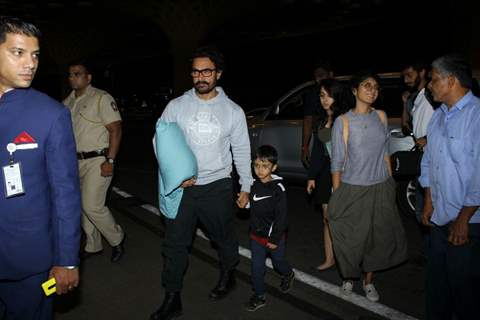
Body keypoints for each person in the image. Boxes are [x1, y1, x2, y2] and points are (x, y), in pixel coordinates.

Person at [150, 46, 253, 320]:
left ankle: (229, 271)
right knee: (174, 245)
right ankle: (172, 298)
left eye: (206, 71)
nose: (200, 77)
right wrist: (174, 175)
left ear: (218, 73)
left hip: (217, 186)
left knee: (223, 238)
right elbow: (160, 140)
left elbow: (242, 150)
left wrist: (246, 186)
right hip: (183, 189)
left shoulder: (233, 111)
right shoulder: (177, 106)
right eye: (196, 71)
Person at [0, 16, 81, 319]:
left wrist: (67, 260)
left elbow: (66, 193)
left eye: (34, 55)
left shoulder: (50, 114)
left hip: (28, 261)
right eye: (18, 52)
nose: (30, 63)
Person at [328, 71, 408, 302]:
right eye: (367, 86)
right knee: (352, 238)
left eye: (375, 87)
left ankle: (368, 281)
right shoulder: (343, 121)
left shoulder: (381, 116)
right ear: (354, 90)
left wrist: (390, 183)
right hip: (353, 188)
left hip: (380, 186)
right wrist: (338, 193)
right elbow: (337, 162)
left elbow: (385, 154)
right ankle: (348, 278)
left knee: (378, 238)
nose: (372, 90)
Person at [420, 54, 480, 320]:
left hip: (468, 222)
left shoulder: (476, 116)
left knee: (465, 292)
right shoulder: (438, 117)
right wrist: (428, 201)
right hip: (440, 218)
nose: (429, 86)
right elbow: (429, 161)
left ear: (451, 80)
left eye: (433, 80)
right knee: (437, 288)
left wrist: (464, 218)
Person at [63, 59, 125, 262]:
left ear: (88, 77)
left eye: (78, 73)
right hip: (74, 161)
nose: (73, 77)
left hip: (98, 159)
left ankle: (117, 239)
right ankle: (93, 244)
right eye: (71, 74)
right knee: (80, 205)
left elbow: (115, 129)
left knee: (92, 206)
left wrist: (111, 160)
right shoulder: (67, 102)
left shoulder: (101, 98)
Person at [306, 79, 353, 271]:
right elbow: (318, 151)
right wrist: (311, 176)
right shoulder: (321, 120)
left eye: (329, 95)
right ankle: (329, 258)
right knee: (327, 217)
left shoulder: (347, 118)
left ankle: (348, 259)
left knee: (343, 217)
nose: (325, 100)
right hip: (325, 172)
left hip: (345, 172)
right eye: (322, 95)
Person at [241, 145, 294, 312]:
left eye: (265, 166)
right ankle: (259, 295)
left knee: (278, 263)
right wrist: (245, 203)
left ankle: (288, 274)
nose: (260, 170)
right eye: (256, 165)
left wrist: (274, 239)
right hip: (256, 236)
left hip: (274, 237)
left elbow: (282, 218)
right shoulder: (254, 185)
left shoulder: (278, 189)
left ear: (274, 167)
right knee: (256, 268)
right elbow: (255, 205)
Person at [402, 62, 436, 223]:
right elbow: (405, 125)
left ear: (422, 72)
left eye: (409, 75)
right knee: (421, 209)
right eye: (404, 76)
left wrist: (428, 138)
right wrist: (404, 103)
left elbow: (446, 122)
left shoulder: (432, 96)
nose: (405, 80)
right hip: (422, 156)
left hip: (434, 154)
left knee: (431, 205)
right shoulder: (415, 98)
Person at [301, 60, 334, 168]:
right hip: (321, 141)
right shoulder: (312, 95)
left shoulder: (341, 91)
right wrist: (305, 147)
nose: (318, 79)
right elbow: (308, 121)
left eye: (321, 75)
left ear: (331, 74)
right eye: (316, 76)